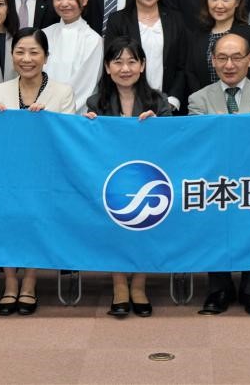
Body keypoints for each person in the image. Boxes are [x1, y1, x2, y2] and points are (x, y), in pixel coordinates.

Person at [188, 33, 250, 316]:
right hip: (215, 180)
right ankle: (219, 289)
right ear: (213, 61)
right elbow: (201, 144)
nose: (229, 65)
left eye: (236, 57)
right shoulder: (198, 99)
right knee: (211, 218)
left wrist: (227, 132)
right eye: (222, 58)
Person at [85, 36, 171, 318]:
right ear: (107, 68)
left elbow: (174, 143)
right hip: (110, 180)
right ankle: (119, 284)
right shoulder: (96, 102)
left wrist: (158, 128)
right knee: (110, 220)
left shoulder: (158, 101)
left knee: (147, 223)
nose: (125, 68)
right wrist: (88, 128)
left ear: (142, 65)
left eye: (132, 62)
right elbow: (90, 147)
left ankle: (139, 285)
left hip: (149, 179)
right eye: (118, 62)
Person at [0, 27, 75, 316]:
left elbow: (68, 140)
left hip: (47, 176)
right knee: (3, 213)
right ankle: (10, 281)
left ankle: (29, 280)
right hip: (8, 175)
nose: (26, 59)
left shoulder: (63, 92)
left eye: (34, 52)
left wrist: (47, 123)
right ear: (12, 55)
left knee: (38, 212)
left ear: (46, 57)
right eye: (20, 52)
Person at [105, 0, 188, 112]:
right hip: (128, 108)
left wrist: (171, 102)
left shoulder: (176, 19)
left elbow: (183, 65)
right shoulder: (117, 21)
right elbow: (112, 63)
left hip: (169, 107)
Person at [186, 0, 250, 95]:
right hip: (205, 103)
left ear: (237, 1)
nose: (219, 5)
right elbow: (191, 73)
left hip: (243, 102)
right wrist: (202, 100)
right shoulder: (198, 35)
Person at [42, 0, 104, 112]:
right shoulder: (44, 34)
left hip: (76, 114)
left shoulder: (93, 40)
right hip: (41, 111)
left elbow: (85, 85)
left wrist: (60, 110)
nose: (64, 3)